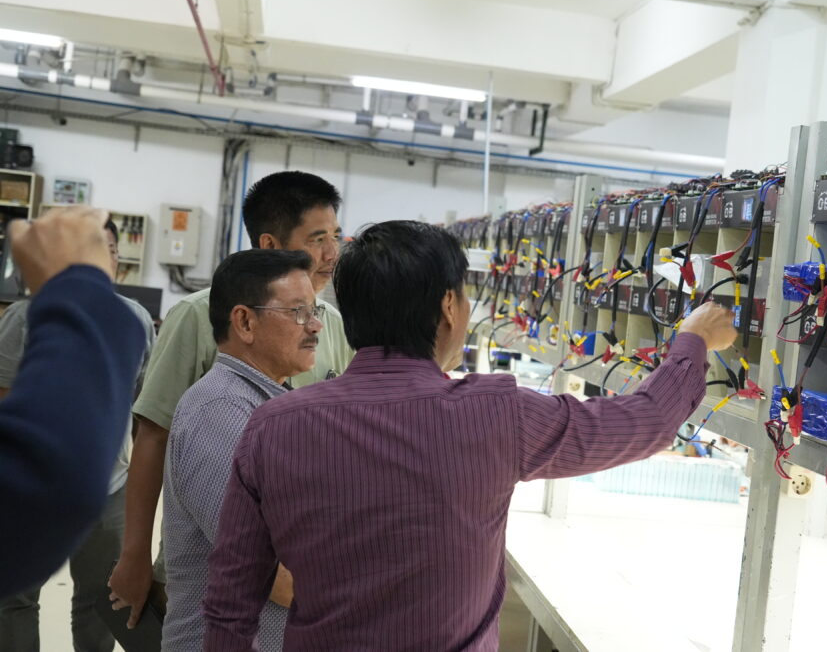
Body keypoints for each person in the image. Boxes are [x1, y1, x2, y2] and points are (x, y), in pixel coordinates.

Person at [203, 220, 737, 651]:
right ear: (448, 307)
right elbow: (645, 421)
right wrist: (693, 339)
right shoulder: (495, 414)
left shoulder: (273, 427)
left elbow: (229, 604)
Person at [109, 171, 356, 628]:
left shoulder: (332, 325)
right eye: (317, 239)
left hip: (293, 564)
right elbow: (153, 437)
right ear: (270, 244)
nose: (332, 254)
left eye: (336, 237)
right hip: (216, 559)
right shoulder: (198, 316)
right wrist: (135, 554)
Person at [0, 219, 154, 651]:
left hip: (111, 485)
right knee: (16, 597)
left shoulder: (134, 319)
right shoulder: (23, 317)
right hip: (32, 484)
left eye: (109, 250)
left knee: (101, 599)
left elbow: (141, 406)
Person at [163, 249, 321, 651]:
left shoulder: (268, 404)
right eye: (298, 312)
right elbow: (271, 574)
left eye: (314, 310)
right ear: (245, 322)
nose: (315, 325)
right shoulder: (220, 412)